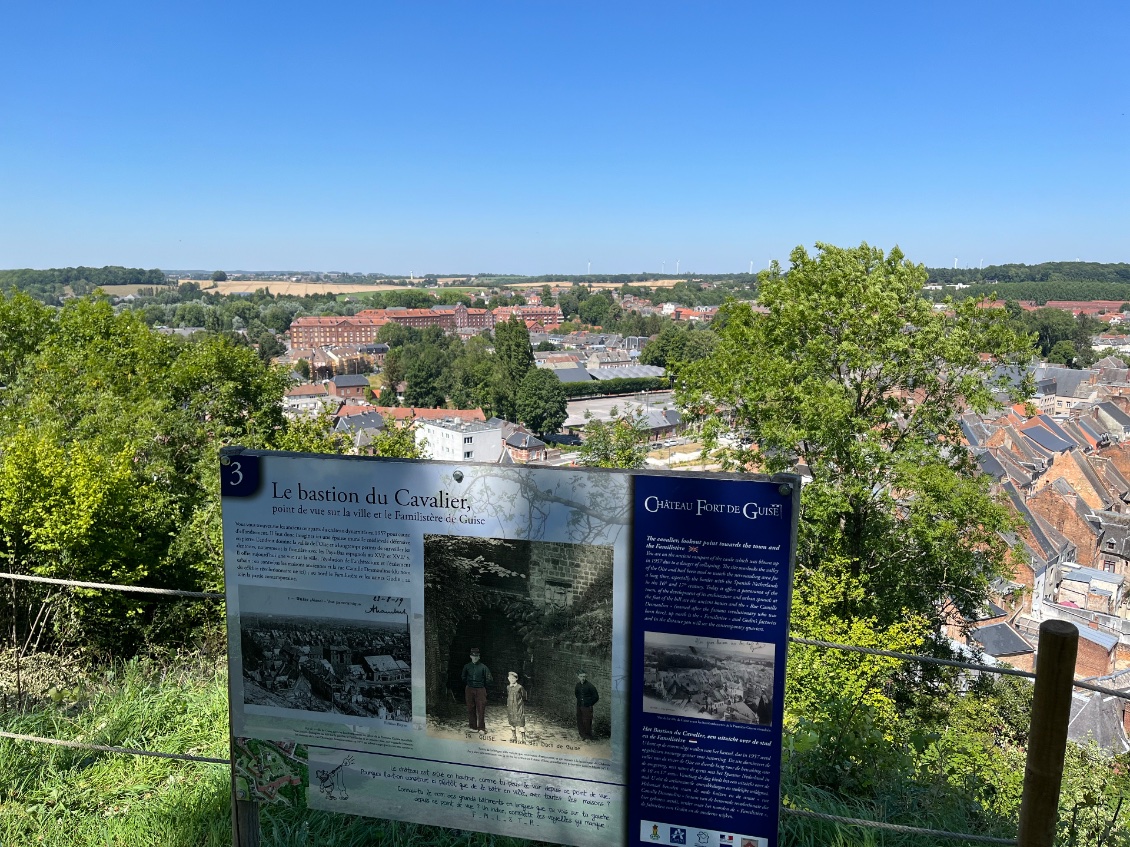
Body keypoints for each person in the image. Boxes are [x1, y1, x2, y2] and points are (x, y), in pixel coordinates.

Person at [461, 647, 493, 737]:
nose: (475, 658)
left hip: (480, 690)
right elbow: (463, 677)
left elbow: (489, 679)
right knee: (470, 708)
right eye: (473, 656)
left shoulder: (483, 667)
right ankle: (473, 727)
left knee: (481, 708)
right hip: (469, 689)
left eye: (477, 656)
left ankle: (481, 728)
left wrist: (482, 686)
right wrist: (469, 683)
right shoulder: (467, 666)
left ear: (479, 657)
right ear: (470, 656)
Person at [574, 671, 599, 741]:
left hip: (587, 707)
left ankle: (588, 737)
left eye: (584, 676)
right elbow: (576, 694)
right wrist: (580, 701)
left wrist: (589, 703)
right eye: (581, 676)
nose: (583, 678)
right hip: (579, 706)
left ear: (586, 677)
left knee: (587, 721)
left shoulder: (590, 686)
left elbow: (596, 697)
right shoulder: (577, 685)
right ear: (578, 677)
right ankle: (582, 735)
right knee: (580, 720)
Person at [505, 671, 527, 743]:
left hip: (518, 707)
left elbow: (524, 696)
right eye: (510, 678)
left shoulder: (520, 687)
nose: (511, 680)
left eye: (513, 678)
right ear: (508, 678)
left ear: (516, 679)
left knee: (520, 721)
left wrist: (519, 703)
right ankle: (514, 736)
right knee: (512, 721)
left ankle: (523, 738)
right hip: (511, 707)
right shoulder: (508, 687)